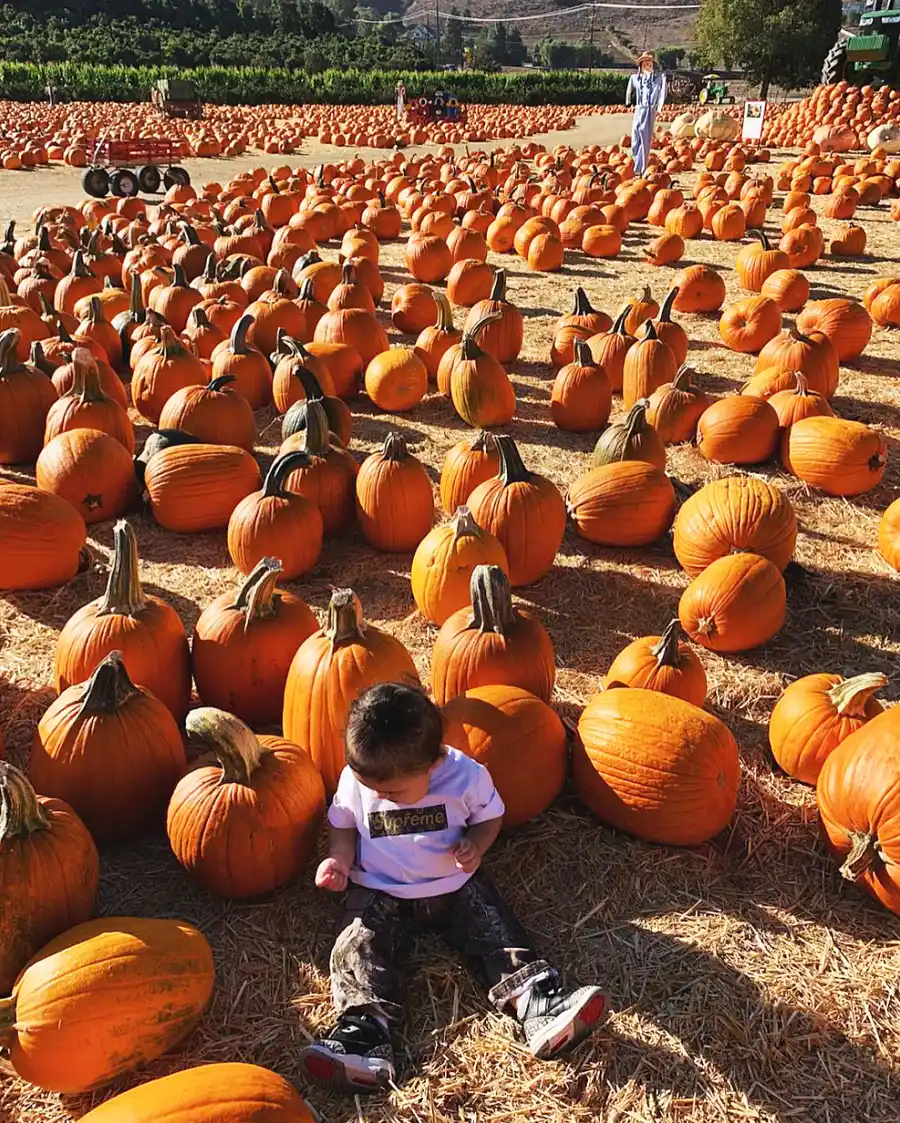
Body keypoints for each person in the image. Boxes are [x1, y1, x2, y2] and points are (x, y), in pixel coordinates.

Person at [300, 683, 607, 1093]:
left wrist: (475, 846)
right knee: (357, 944)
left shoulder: (465, 775)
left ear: (435, 761)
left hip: (453, 883)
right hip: (381, 889)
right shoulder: (359, 780)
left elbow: (490, 816)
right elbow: (342, 822)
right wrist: (338, 859)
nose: (378, 796)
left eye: (390, 792)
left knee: (495, 928)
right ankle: (364, 1033)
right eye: (370, 787)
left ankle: (538, 1003)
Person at [625, 51, 667, 177]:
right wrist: (628, 101)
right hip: (639, 108)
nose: (647, 66)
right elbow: (629, 88)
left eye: (649, 63)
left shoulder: (659, 78)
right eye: (645, 63)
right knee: (635, 133)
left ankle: (642, 167)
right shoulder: (635, 78)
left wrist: (659, 105)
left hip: (650, 108)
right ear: (641, 65)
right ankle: (636, 162)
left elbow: (663, 91)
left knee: (645, 136)